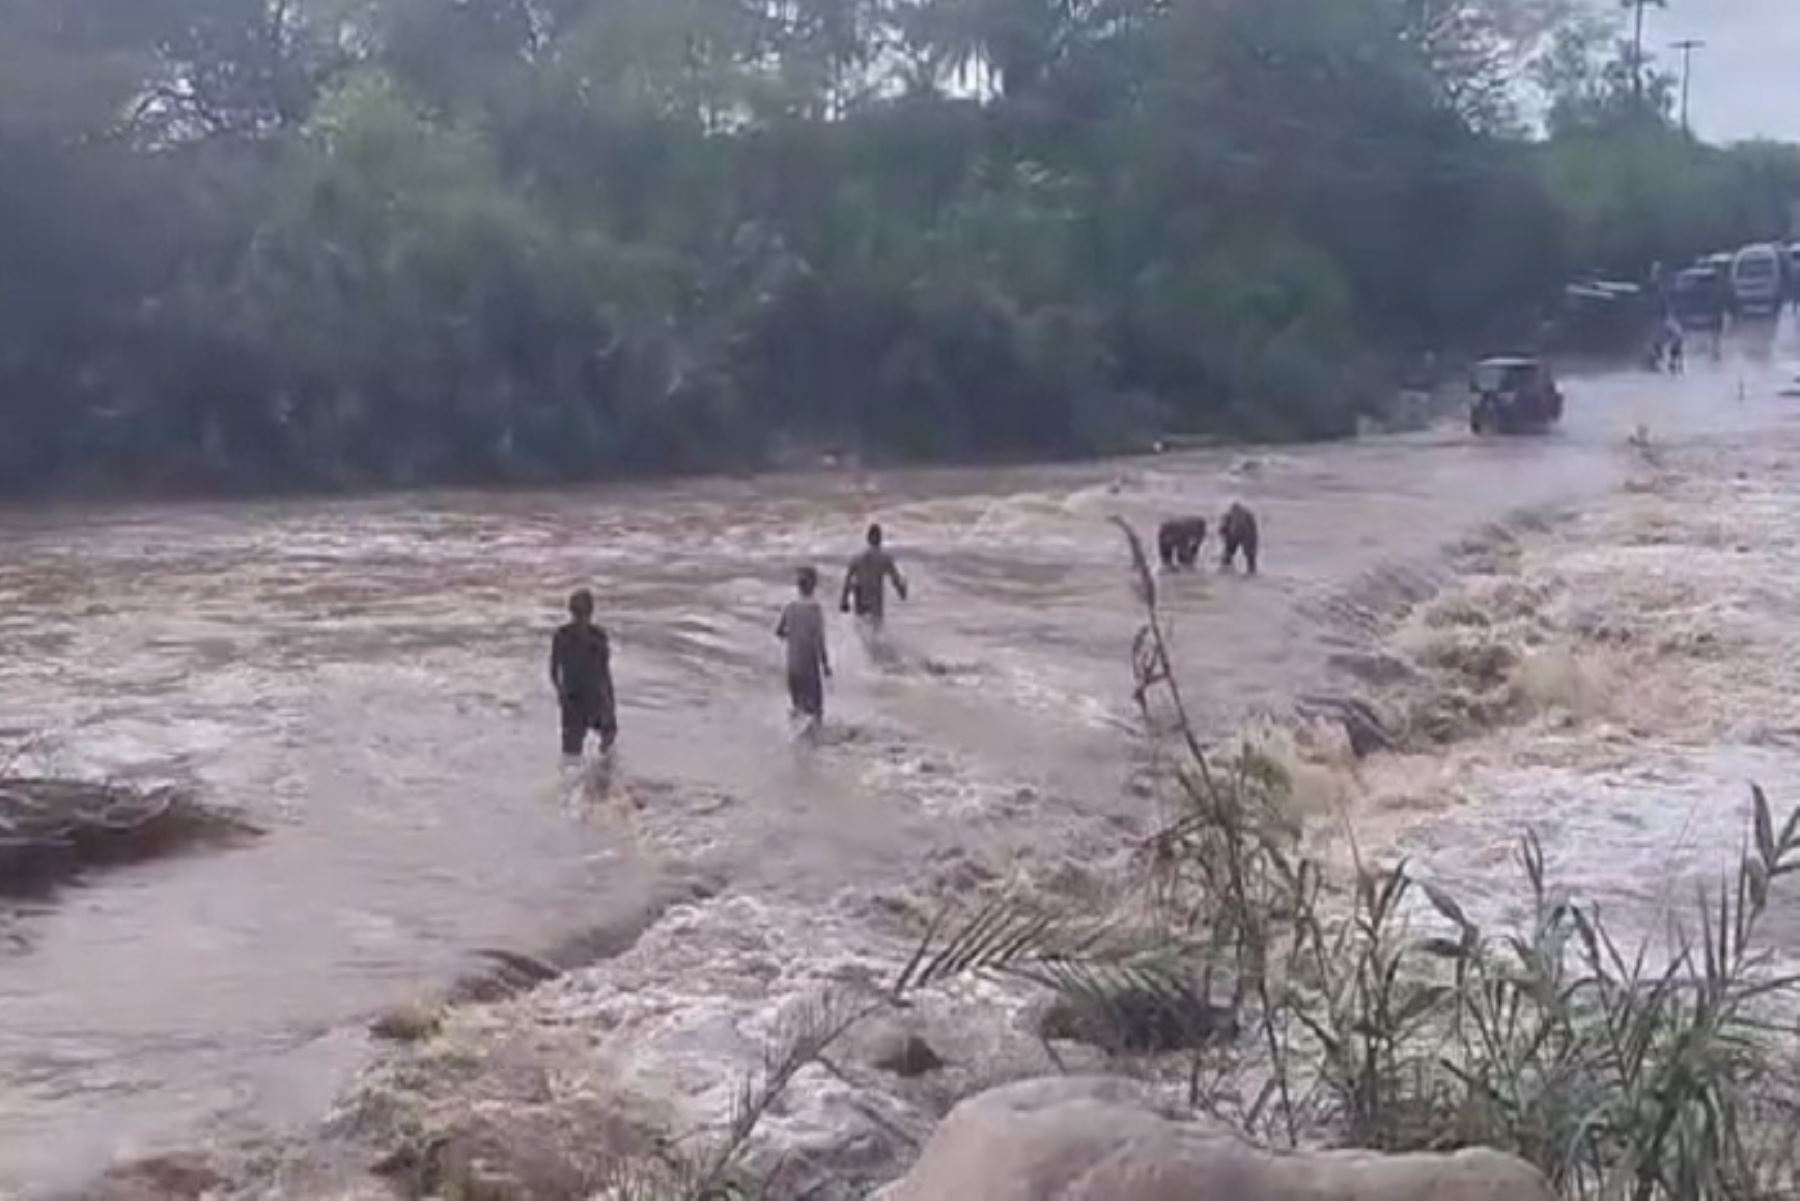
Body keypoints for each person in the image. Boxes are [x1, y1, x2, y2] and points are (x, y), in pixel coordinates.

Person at [549, 588, 617, 758]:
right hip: (576, 698)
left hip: (591, 697)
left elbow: (604, 670)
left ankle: (602, 777)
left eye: (582, 614)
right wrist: (560, 692)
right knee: (571, 752)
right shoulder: (564, 636)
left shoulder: (596, 637)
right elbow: (554, 669)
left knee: (606, 739)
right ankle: (581, 780)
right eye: (578, 613)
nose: (580, 618)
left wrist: (609, 700)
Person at [777, 566, 831, 725]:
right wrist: (826, 665)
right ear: (814, 585)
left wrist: (794, 637)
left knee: (798, 708)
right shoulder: (815, 610)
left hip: (792, 666)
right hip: (809, 668)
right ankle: (814, 747)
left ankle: (793, 742)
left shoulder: (790, 607)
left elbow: (779, 632)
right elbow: (819, 640)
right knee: (816, 711)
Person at [840, 523, 909, 628]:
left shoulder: (856, 558)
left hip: (860, 598)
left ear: (868, 538)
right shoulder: (885, 558)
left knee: (861, 629)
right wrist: (902, 591)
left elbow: (848, 580)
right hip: (875, 600)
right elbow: (895, 580)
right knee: (876, 630)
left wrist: (844, 600)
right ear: (880, 539)